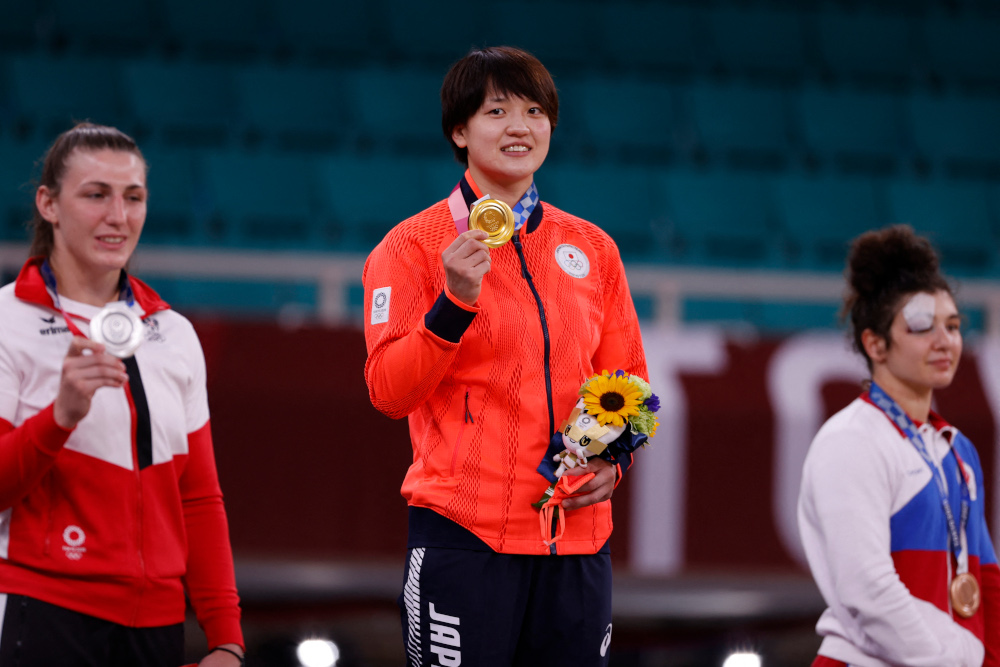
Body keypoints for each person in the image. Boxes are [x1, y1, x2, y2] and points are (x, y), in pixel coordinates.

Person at [362, 46, 648, 666]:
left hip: (577, 543)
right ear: (460, 131)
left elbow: (628, 383)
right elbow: (388, 391)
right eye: (497, 110)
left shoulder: (593, 248)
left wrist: (613, 465)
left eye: (534, 110)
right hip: (463, 542)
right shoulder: (410, 247)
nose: (520, 126)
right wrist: (452, 305)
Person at [0, 123, 244, 666]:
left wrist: (226, 639)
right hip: (43, 605)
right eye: (96, 195)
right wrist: (58, 418)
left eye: (134, 197)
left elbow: (199, 497)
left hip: (156, 620)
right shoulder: (6, 323)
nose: (118, 216)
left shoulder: (173, 333)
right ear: (49, 204)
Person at [798, 225, 1000, 666]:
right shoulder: (850, 441)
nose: (945, 341)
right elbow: (865, 589)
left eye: (953, 325)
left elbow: (986, 578)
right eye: (923, 327)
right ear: (875, 343)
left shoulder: (957, 450)